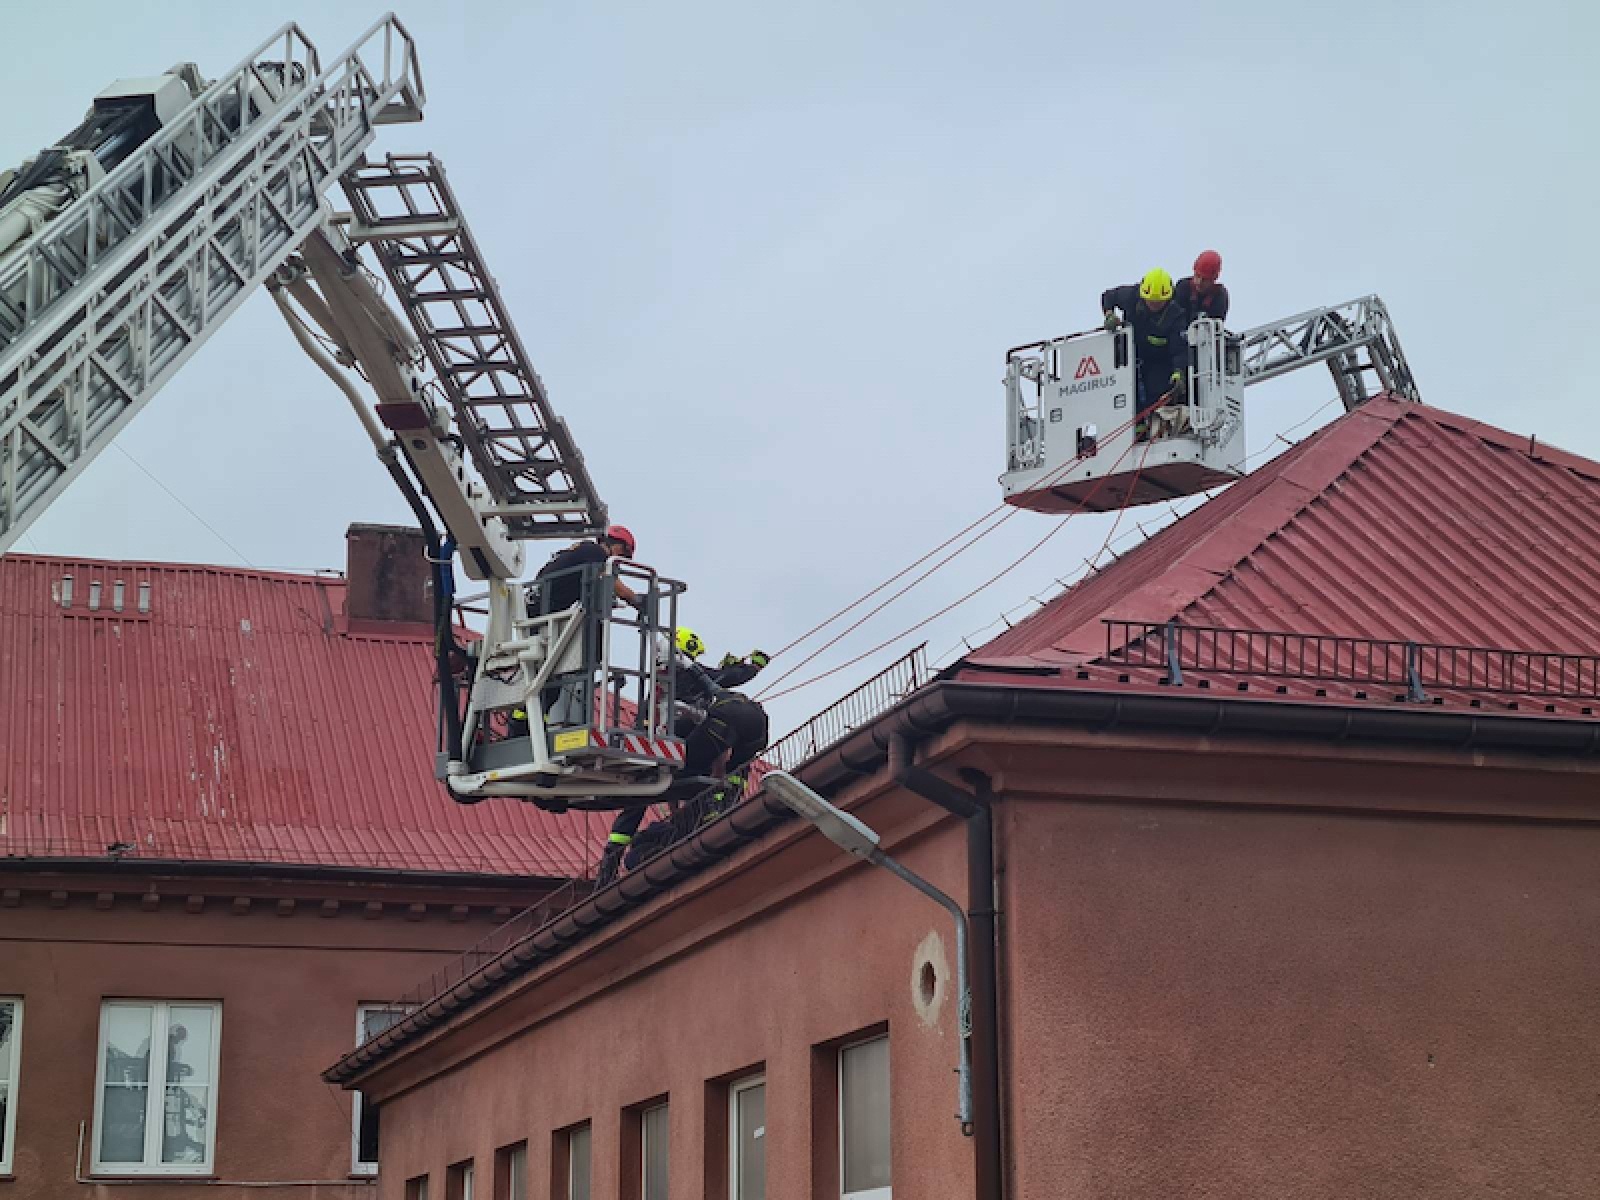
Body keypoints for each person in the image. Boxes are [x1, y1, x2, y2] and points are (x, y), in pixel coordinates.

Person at [594, 628, 771, 888]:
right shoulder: (688, 673)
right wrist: (754, 665)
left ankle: (609, 863)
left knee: (637, 800)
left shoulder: (656, 684)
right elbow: (723, 677)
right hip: (681, 744)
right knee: (711, 770)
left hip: (649, 751)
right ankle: (713, 814)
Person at [1101, 268, 1187, 434]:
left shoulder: (1176, 316)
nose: (1154, 305)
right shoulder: (1130, 296)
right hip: (1130, 352)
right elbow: (1108, 297)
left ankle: (1151, 427)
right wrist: (1109, 315)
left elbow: (1179, 349)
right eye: (1151, 301)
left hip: (1158, 359)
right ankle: (1136, 427)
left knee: (1156, 389)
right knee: (1126, 388)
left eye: (1158, 302)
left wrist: (1178, 373)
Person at [1174, 250, 1229, 323]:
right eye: (1197, 276)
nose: (1199, 282)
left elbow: (1215, 328)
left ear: (1214, 279)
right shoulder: (1183, 287)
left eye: (1205, 279)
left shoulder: (1219, 297)